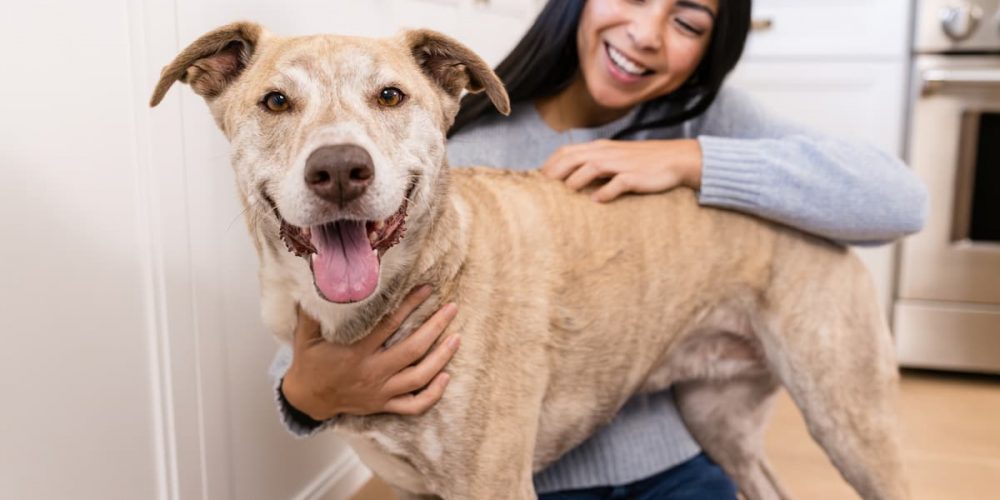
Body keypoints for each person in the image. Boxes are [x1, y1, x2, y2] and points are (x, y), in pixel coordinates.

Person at [271, 0, 929, 498]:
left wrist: (692, 159)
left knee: (868, 457)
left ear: (709, 49)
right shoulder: (445, 161)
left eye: (689, 20)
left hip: (677, 465)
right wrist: (303, 393)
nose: (647, 32)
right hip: (543, 480)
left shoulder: (703, 118)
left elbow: (901, 201)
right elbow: (328, 313)